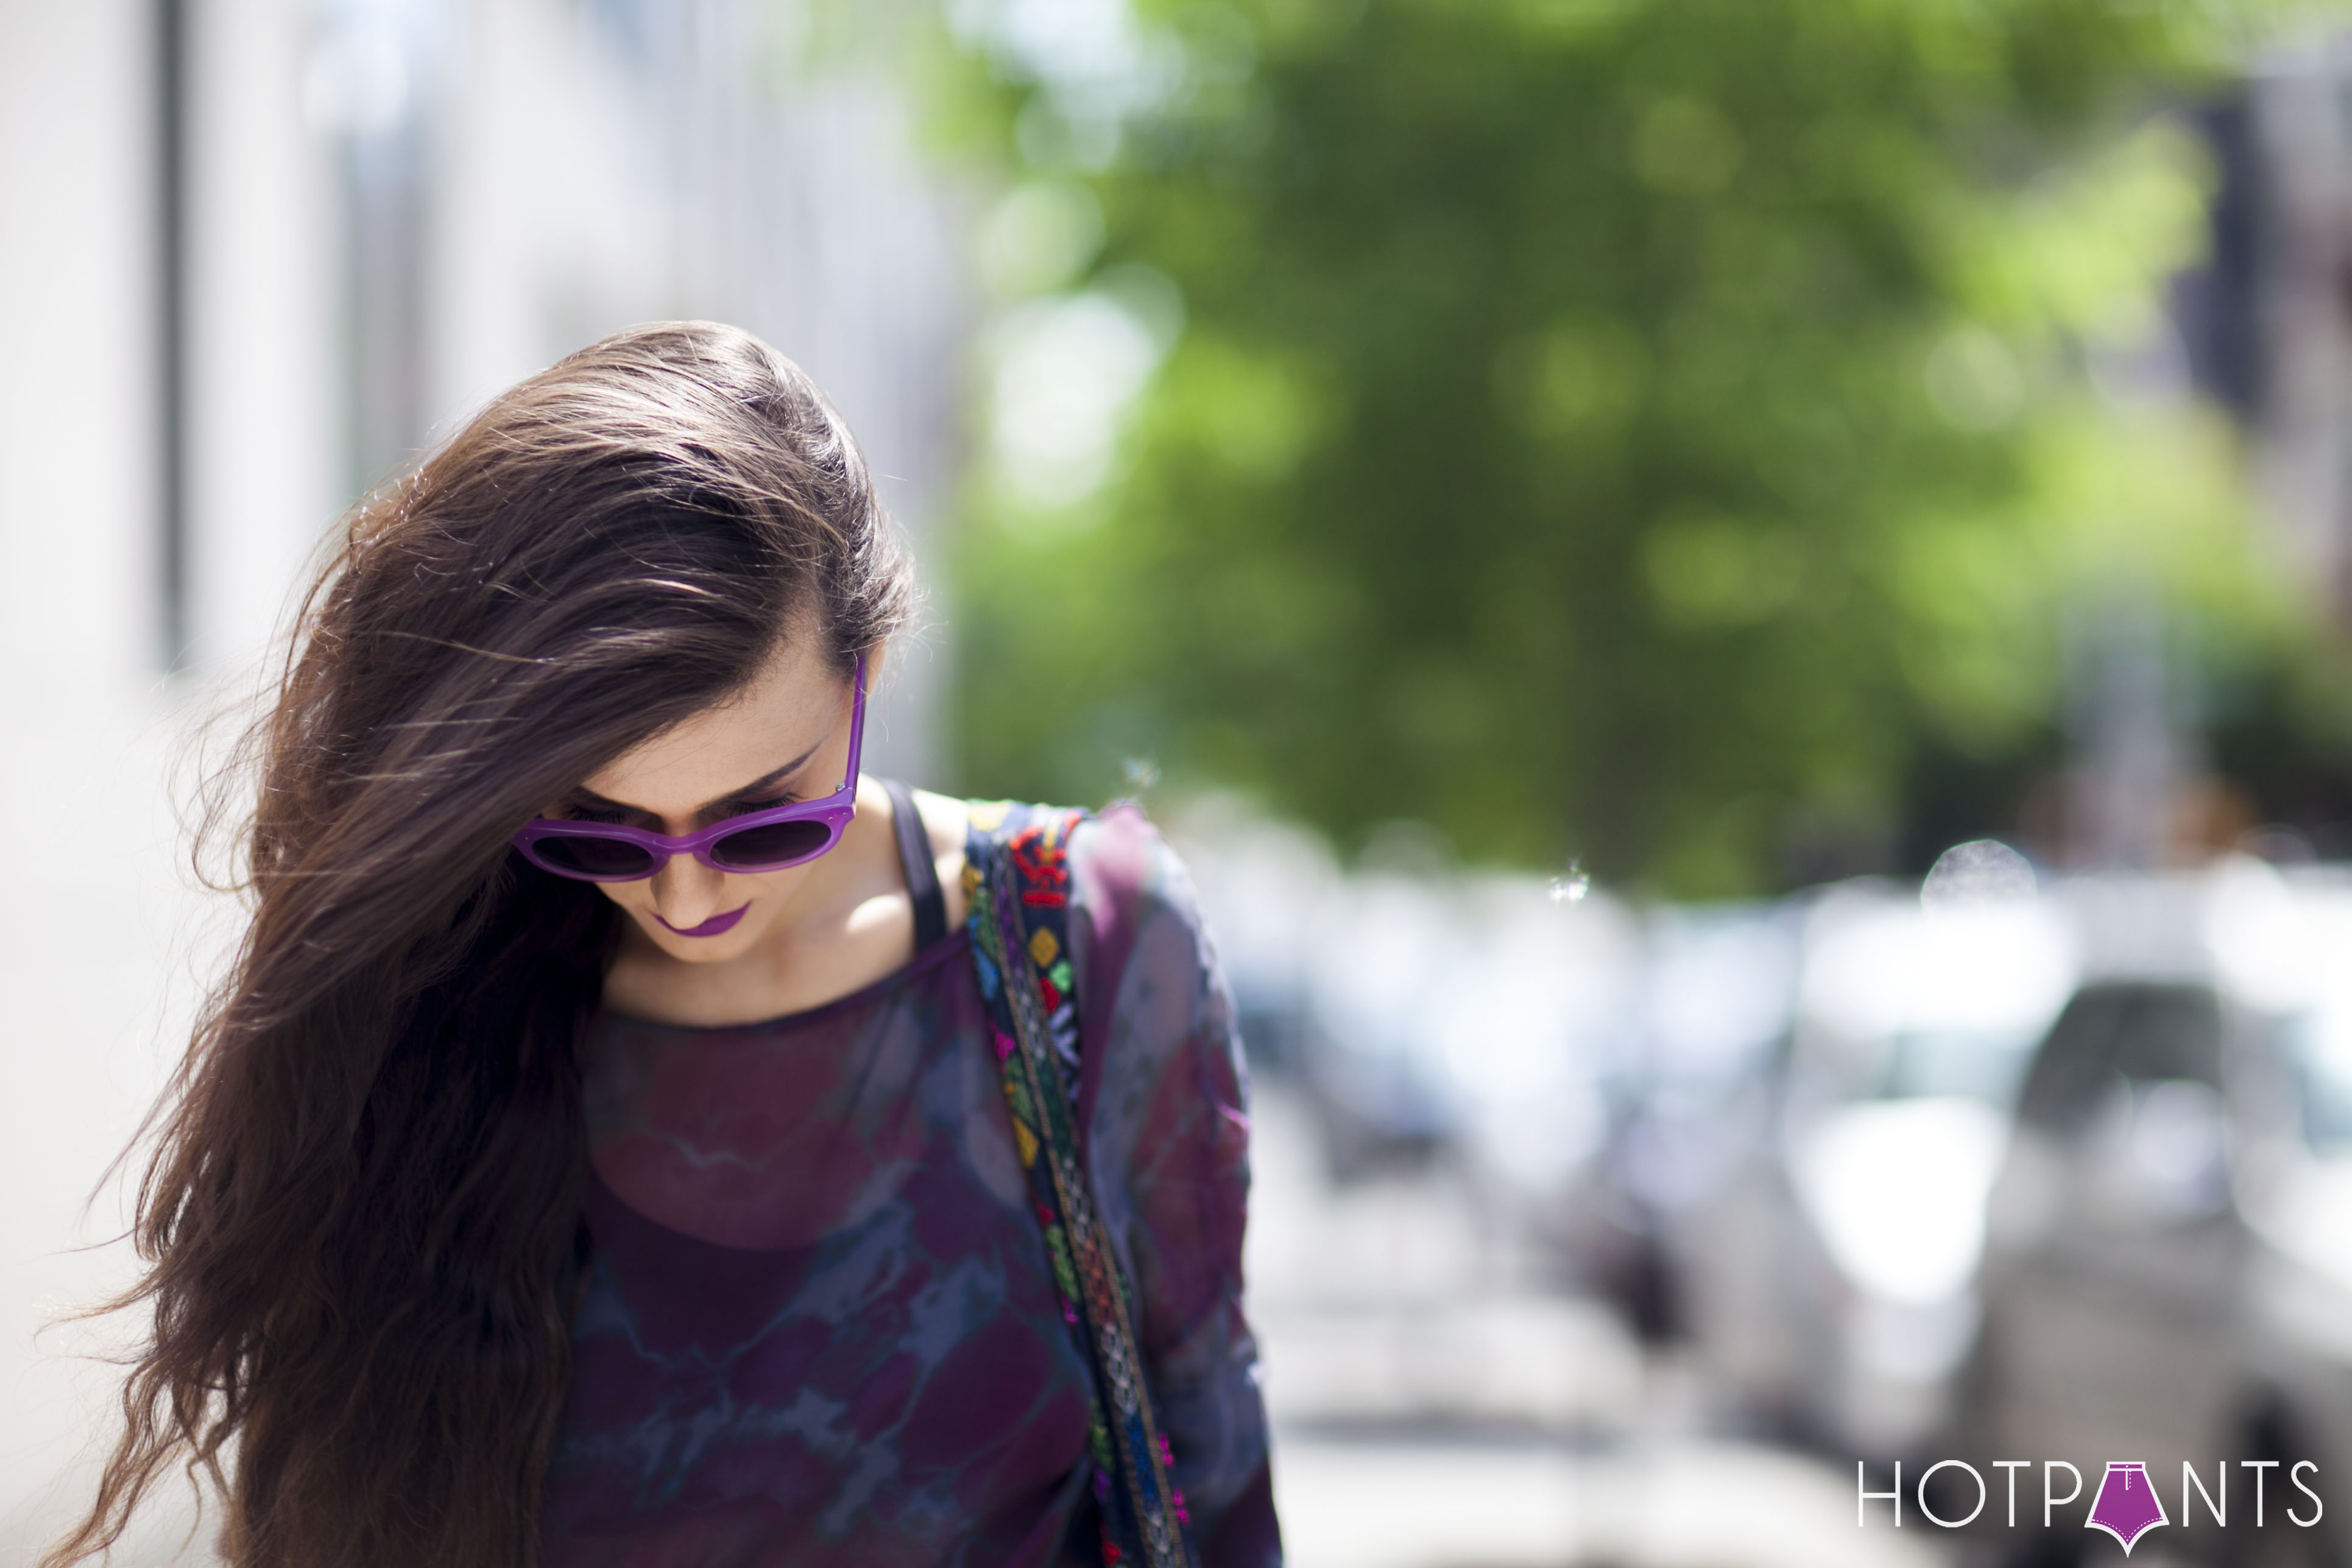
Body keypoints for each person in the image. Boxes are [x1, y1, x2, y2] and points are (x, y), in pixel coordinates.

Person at [48, 323, 1280, 1568]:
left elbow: (1212, 1478)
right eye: (604, 830)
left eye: (759, 817)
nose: (684, 899)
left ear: (868, 674)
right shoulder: (440, 981)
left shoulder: (1085, 937)